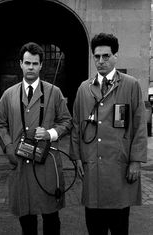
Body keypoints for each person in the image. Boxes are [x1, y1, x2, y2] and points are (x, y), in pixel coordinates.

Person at [69, 32, 147, 235]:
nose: (101, 61)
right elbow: (76, 125)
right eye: (97, 56)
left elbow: (139, 125)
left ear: (115, 57)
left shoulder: (130, 85)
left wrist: (136, 161)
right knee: (94, 226)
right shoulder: (84, 89)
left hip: (119, 168)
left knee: (120, 226)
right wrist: (76, 157)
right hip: (92, 166)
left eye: (105, 56)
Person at [0, 42, 72, 235]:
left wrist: (50, 134)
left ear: (41, 65)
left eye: (35, 63)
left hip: (46, 163)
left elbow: (66, 121)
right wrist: (8, 148)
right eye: (27, 62)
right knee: (26, 218)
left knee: (51, 218)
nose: (31, 67)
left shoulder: (54, 92)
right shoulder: (8, 94)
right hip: (20, 163)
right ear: (20, 63)